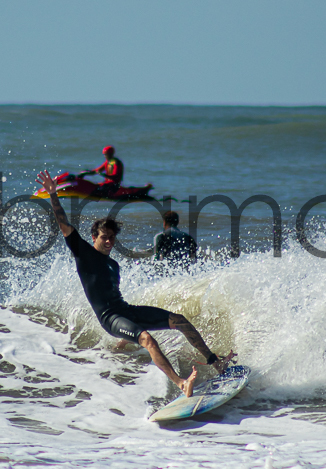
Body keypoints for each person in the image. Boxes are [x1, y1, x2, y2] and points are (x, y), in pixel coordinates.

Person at [35, 170, 234, 397]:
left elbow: (115, 299)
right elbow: (63, 224)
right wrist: (53, 194)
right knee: (147, 339)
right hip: (110, 318)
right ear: (94, 238)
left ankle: (215, 362)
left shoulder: (114, 265)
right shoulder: (84, 254)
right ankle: (181, 383)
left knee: (180, 320)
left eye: (112, 237)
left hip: (125, 312)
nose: (109, 241)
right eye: (104, 237)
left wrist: (122, 342)